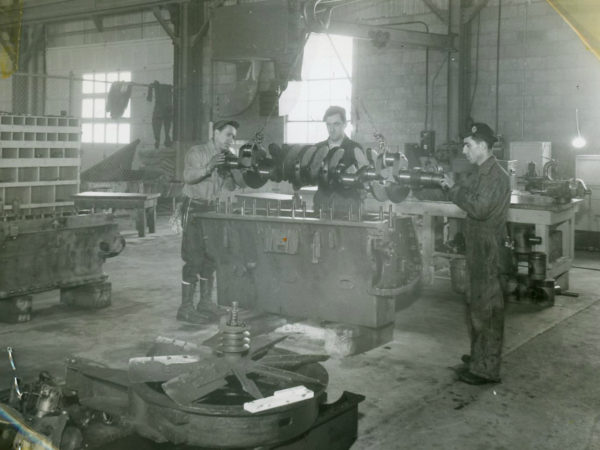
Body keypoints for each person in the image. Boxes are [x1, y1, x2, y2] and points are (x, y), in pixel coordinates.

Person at [440, 122, 511, 385]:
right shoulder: (482, 172)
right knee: (477, 303)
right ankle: (480, 356)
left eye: (468, 145)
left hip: (489, 249)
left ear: (482, 145)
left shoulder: (495, 176)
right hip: (479, 246)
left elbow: (479, 208)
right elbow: (470, 194)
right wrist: (453, 185)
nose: (464, 150)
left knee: (488, 308)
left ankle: (486, 369)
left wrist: (453, 190)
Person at [178, 119, 238, 324]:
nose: (232, 139)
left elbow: (230, 187)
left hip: (211, 209)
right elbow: (188, 177)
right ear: (216, 133)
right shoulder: (198, 152)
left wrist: (233, 173)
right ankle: (185, 308)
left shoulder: (226, 158)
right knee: (193, 258)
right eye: (229, 134)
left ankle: (205, 302)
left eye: (234, 136)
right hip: (193, 207)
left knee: (210, 258)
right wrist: (209, 166)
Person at [312, 106, 369, 214]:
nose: (331, 129)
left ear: (345, 124)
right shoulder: (318, 148)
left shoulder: (355, 148)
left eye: (336, 124)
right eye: (328, 124)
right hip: (322, 204)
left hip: (348, 205)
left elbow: (366, 179)